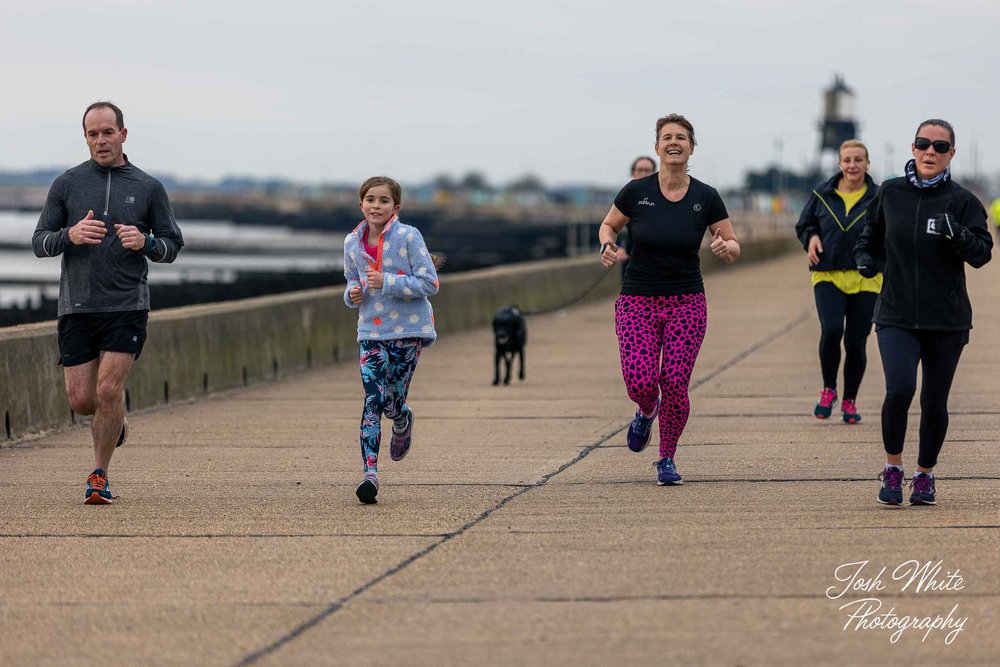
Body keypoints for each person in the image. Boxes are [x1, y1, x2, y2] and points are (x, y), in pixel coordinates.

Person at [31, 101, 184, 505]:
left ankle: (99, 475)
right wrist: (70, 235)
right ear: (85, 138)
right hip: (77, 306)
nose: (101, 141)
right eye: (92, 134)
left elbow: (172, 245)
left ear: (123, 134)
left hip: (127, 305)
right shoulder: (67, 184)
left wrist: (147, 242)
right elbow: (39, 242)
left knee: (109, 388)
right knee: (84, 401)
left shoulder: (149, 187)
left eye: (107, 132)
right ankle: (115, 422)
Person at [855, 119, 992, 507]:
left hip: (946, 319)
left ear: (951, 154)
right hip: (896, 312)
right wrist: (865, 257)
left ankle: (925, 475)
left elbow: (982, 254)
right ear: (913, 148)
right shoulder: (889, 193)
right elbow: (871, 237)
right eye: (923, 143)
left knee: (934, 401)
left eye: (940, 146)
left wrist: (960, 236)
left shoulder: (963, 201)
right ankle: (894, 469)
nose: (930, 151)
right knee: (899, 390)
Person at [598, 114, 740, 486]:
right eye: (666, 137)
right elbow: (610, 223)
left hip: (687, 301)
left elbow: (732, 241)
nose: (673, 142)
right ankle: (646, 410)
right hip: (637, 301)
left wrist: (726, 246)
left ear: (691, 147)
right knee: (641, 380)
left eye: (681, 137)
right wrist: (607, 243)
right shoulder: (636, 191)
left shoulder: (705, 196)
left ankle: (666, 457)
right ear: (657, 146)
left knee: (675, 381)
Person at [343, 176, 439, 504]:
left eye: (383, 201)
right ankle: (370, 474)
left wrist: (388, 281)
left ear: (395, 207)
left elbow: (430, 283)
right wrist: (351, 294)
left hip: (408, 332)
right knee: (372, 401)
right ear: (361, 205)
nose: (376, 206)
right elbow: (350, 282)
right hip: (370, 332)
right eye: (370, 199)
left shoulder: (409, 237)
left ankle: (402, 417)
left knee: (391, 402)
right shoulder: (351, 243)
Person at [794, 140, 880, 423]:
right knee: (831, 331)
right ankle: (829, 389)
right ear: (840, 163)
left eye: (858, 160)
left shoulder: (879, 197)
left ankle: (850, 400)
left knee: (856, 341)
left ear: (867, 164)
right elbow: (805, 224)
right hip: (827, 272)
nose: (852, 165)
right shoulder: (822, 193)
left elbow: (890, 231)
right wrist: (812, 237)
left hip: (866, 277)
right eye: (847, 160)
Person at [616, 156, 657, 277]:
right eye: (640, 170)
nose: (644, 173)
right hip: (631, 260)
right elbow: (612, 227)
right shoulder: (625, 197)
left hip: (657, 261)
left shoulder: (663, 196)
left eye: (648, 170)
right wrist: (618, 247)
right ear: (633, 173)